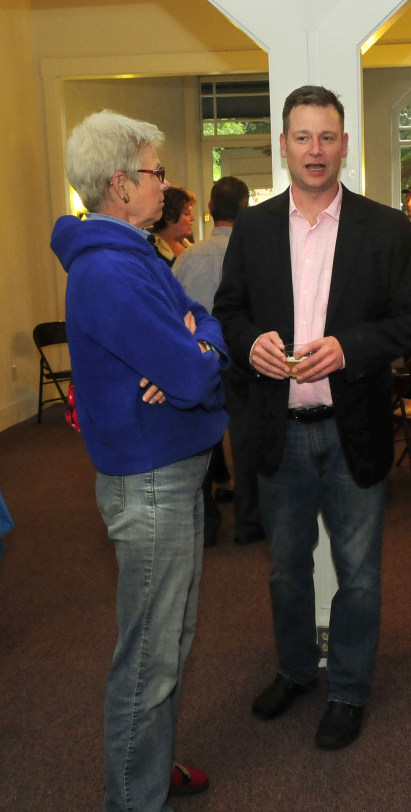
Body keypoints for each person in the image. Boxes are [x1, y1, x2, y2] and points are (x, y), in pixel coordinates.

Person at [214, 85, 411, 750]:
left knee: (359, 572)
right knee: (286, 568)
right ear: (283, 146)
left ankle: (347, 688)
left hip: (354, 429)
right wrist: (250, 343)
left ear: (345, 144)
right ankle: (293, 670)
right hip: (279, 432)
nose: (316, 150)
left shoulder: (385, 227)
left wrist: (351, 348)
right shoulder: (253, 228)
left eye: (328, 137)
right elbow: (229, 311)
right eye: (303, 137)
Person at [50, 110, 230, 810]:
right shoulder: (111, 271)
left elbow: (201, 323)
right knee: (150, 658)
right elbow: (191, 375)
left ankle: (147, 768)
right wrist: (191, 352)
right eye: (157, 172)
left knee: (172, 639)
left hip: (170, 471)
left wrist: (194, 343)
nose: (167, 185)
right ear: (120, 186)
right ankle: (132, 796)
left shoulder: (136, 255)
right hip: (150, 481)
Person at [174, 176, 266, 547]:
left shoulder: (186, 258)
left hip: (198, 361)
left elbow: (171, 313)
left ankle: (207, 523)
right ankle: (248, 523)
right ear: (245, 209)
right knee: (246, 443)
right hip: (244, 359)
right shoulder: (257, 254)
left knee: (202, 442)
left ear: (210, 210)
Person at [150, 186, 196, 266]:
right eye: (187, 214)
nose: (193, 218)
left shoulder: (189, 245)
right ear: (170, 217)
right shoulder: (152, 250)